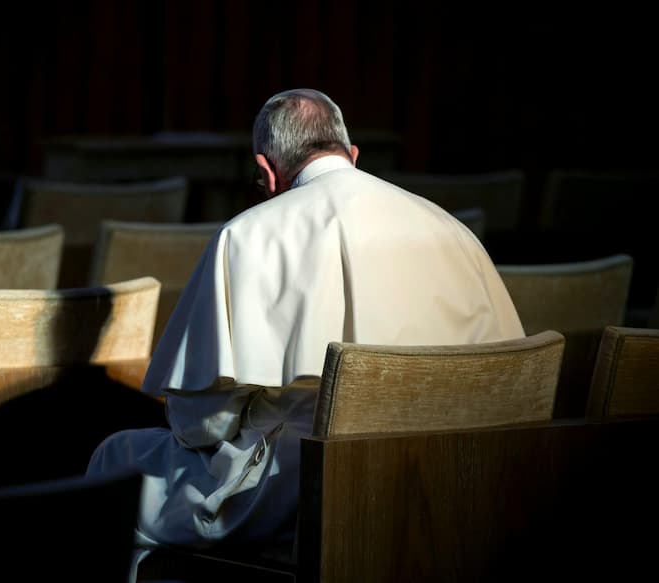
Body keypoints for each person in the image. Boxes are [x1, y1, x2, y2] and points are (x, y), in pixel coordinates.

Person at [86, 88, 524, 570]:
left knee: (115, 462)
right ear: (352, 155)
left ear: (267, 171)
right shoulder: (454, 231)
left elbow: (200, 424)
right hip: (459, 482)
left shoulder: (248, 235)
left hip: (310, 488)